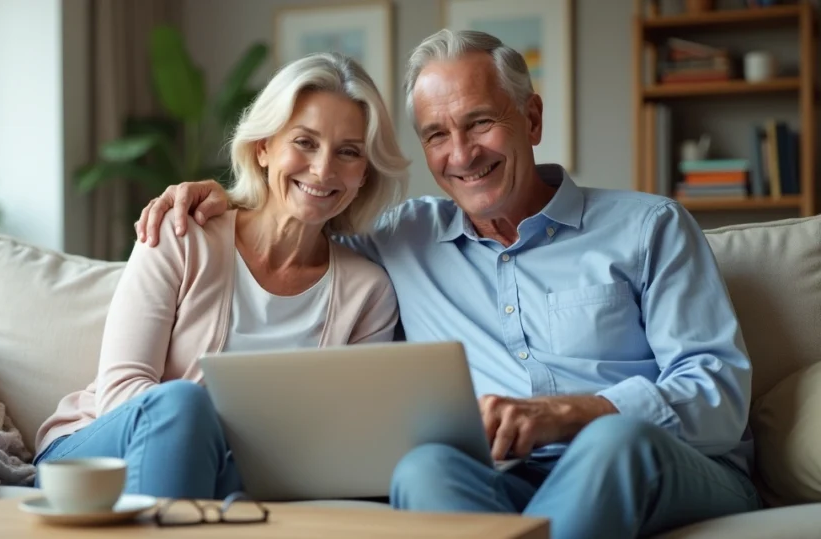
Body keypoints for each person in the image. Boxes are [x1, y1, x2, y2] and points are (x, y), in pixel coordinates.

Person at [134, 29, 761, 539]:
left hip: (663, 463)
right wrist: (228, 198)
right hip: (504, 477)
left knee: (613, 442)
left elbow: (720, 396)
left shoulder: (650, 226)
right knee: (425, 466)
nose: (461, 154)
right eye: (437, 134)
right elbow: (301, 216)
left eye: (480, 122)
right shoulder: (403, 238)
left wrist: (572, 414)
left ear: (532, 118)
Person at [32, 52, 410, 500]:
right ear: (263, 147)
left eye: (348, 152)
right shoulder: (180, 233)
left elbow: (343, 435)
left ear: (364, 173)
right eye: (305, 142)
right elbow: (121, 390)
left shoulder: (369, 293)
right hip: (98, 452)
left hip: (247, 471)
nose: (323, 169)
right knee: (184, 404)